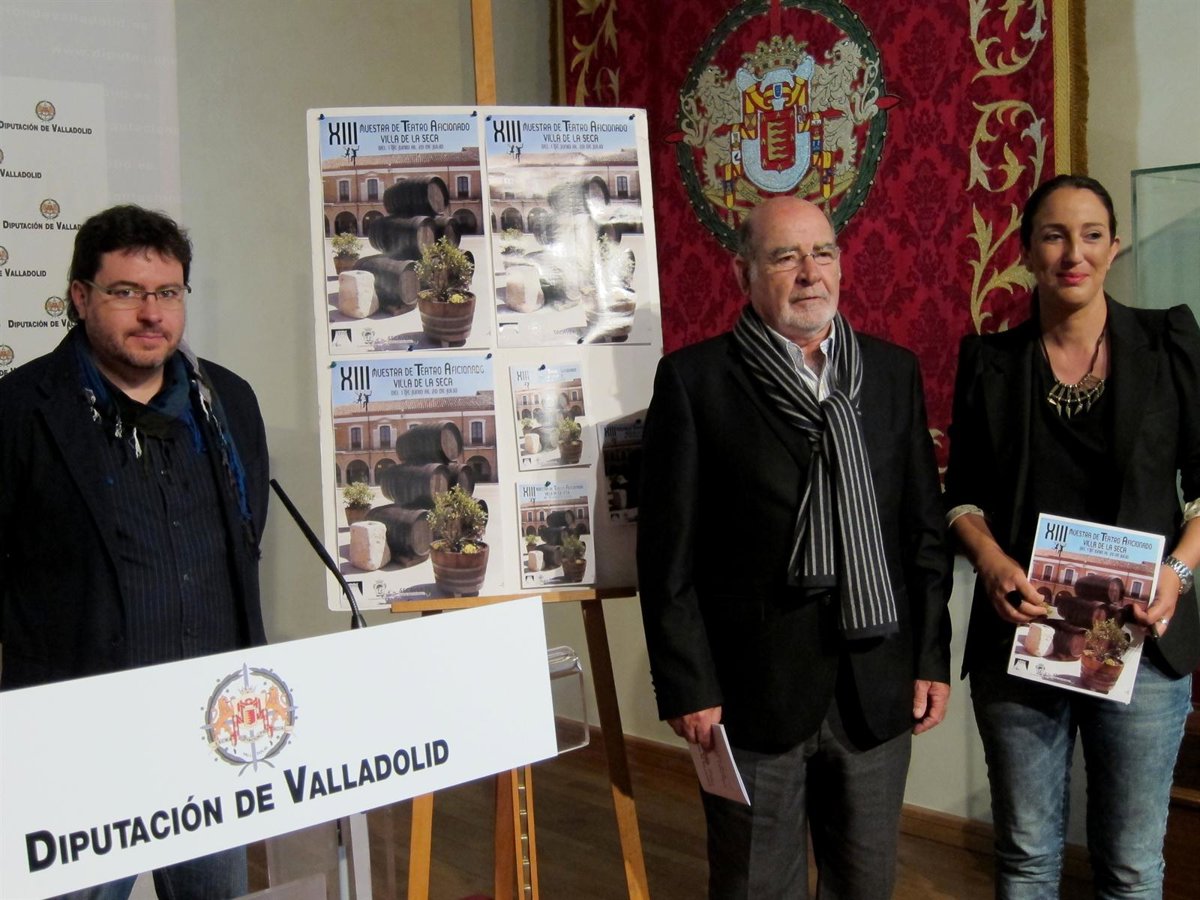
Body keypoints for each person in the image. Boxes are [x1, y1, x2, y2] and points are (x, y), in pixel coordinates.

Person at [637, 196, 952, 898]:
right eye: (786, 257)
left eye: (823, 253)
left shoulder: (891, 372)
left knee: (865, 886)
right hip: (750, 697)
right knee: (755, 886)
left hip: (874, 687)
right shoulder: (695, 381)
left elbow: (922, 534)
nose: (811, 273)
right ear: (742, 272)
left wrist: (931, 657)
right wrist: (689, 685)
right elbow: (666, 557)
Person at [0, 205, 270, 899]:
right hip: (78, 741)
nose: (152, 314)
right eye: (126, 292)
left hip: (216, 728)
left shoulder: (229, 401)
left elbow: (245, 539)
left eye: (168, 292)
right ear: (80, 296)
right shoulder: (20, 409)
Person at [944, 174, 1199, 897]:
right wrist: (991, 562)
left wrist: (1177, 573)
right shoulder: (989, 361)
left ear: (1115, 247)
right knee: (1026, 857)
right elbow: (959, 498)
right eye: (1054, 236)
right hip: (1023, 635)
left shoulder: (1168, 343)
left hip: (1139, 637)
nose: (1073, 253)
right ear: (1026, 251)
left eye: (1091, 235)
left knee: (1131, 866)